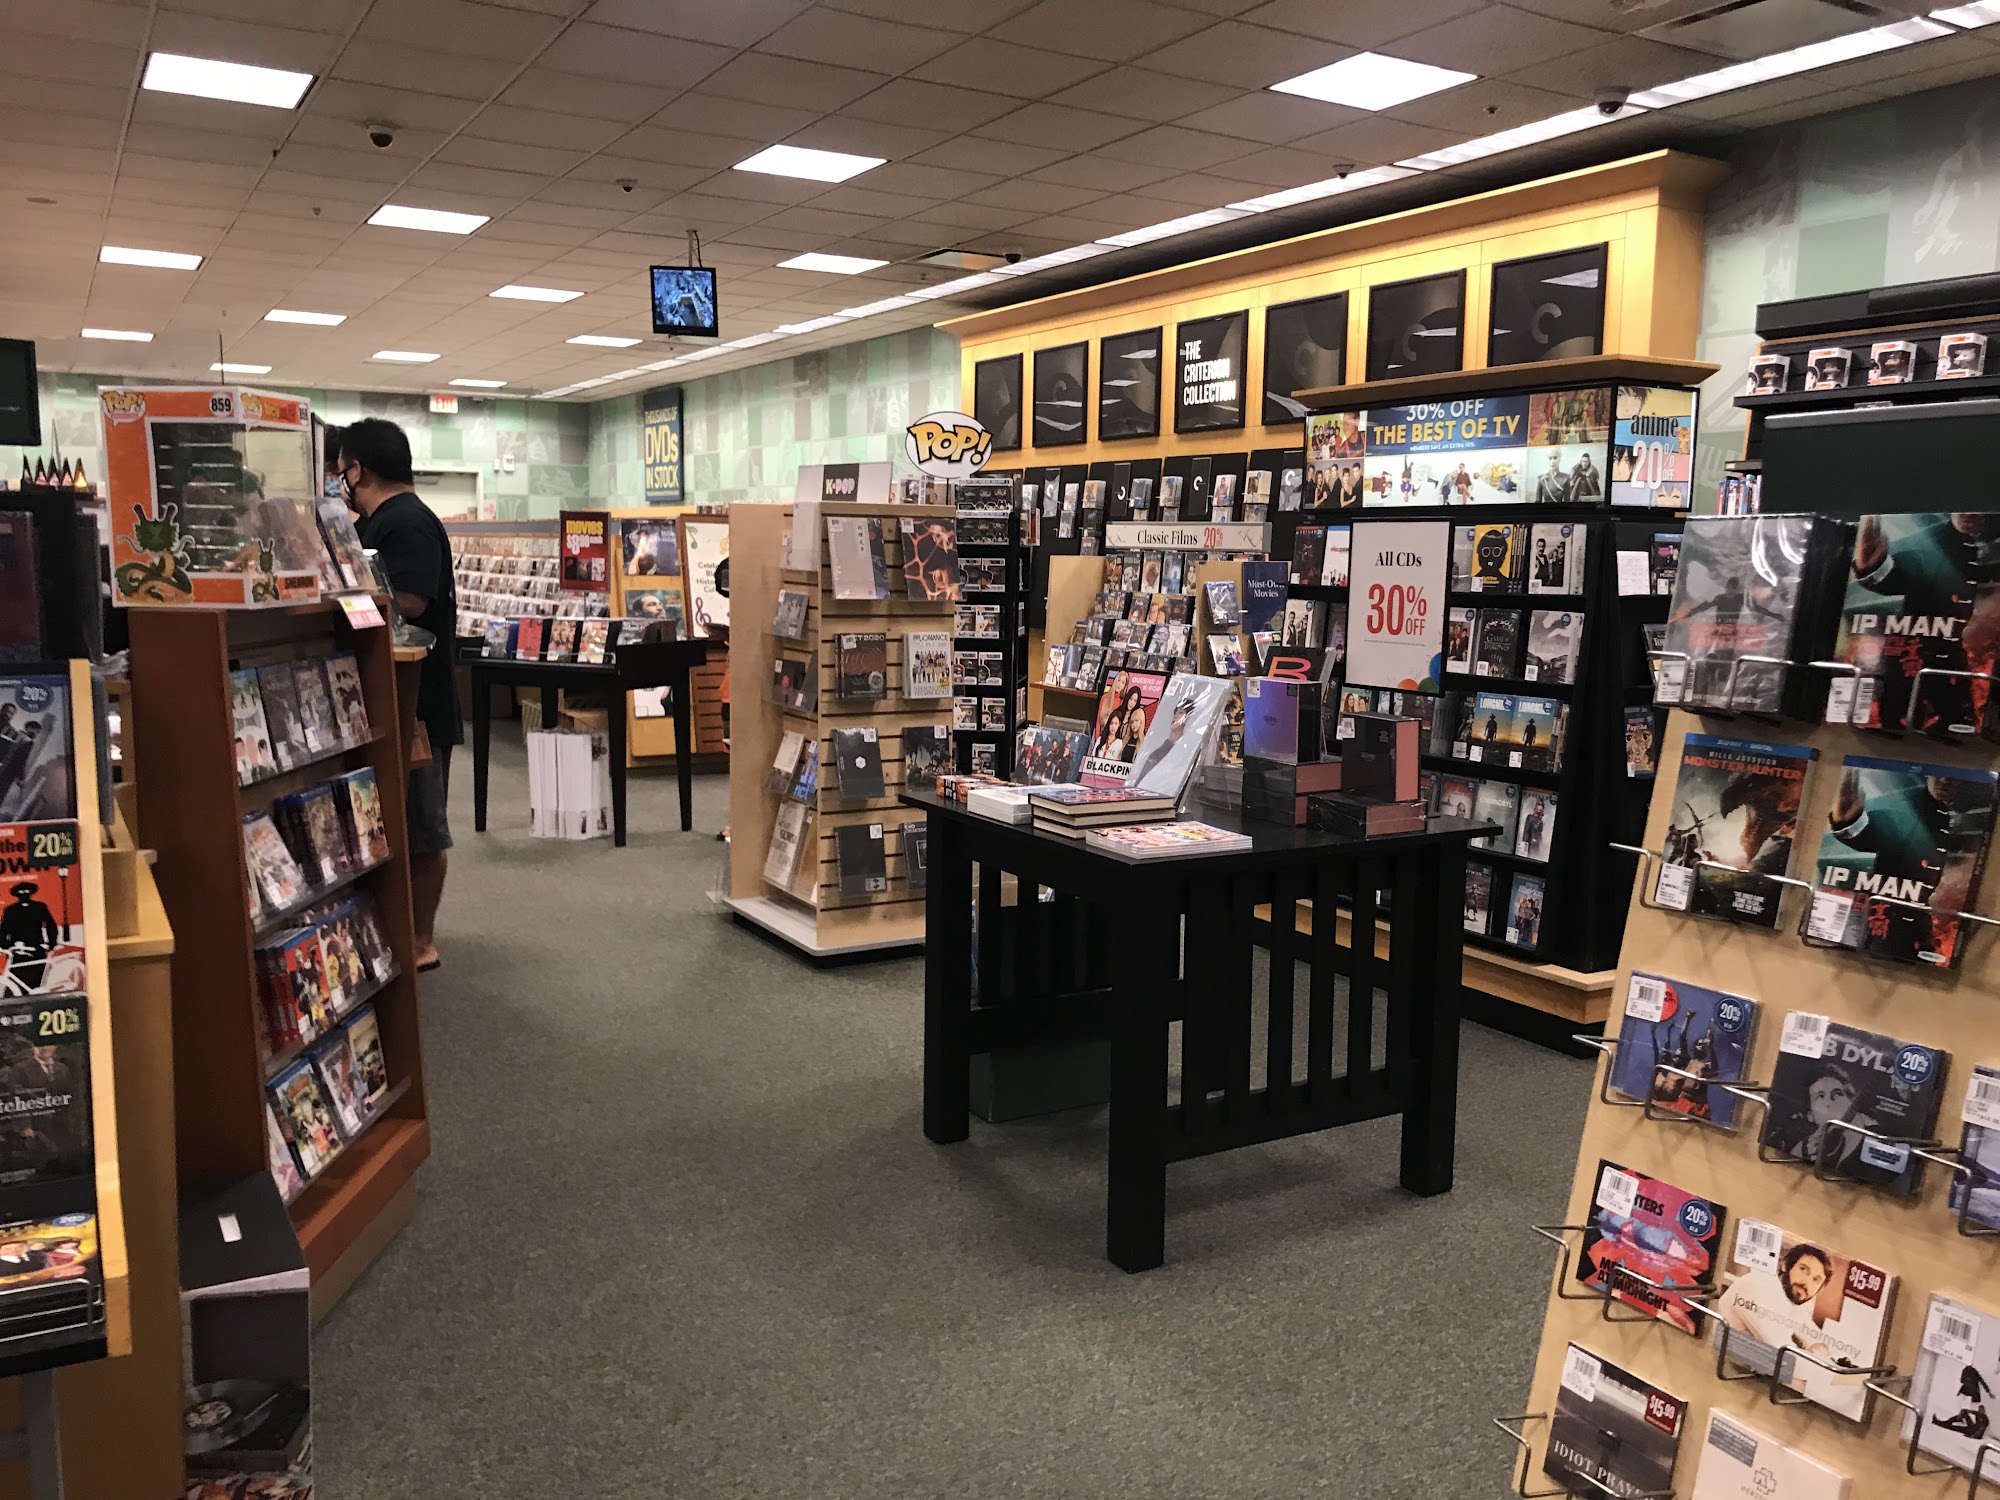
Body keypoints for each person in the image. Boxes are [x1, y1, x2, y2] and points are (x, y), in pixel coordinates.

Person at [339, 419, 459, 972]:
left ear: (357, 469)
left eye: (342, 467)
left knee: (422, 828)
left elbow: (409, 599)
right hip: (388, 698)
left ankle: (419, 940)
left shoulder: (407, 521)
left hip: (419, 705)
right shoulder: (378, 521)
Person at [0, 882, 58, 995]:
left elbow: (51, 926)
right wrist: (6, 946)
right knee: (16, 979)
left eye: (27, 892)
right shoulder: (10, 910)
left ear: (31, 893)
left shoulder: (40, 907)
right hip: (17, 951)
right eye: (21, 892)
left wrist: (50, 944)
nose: (24, 895)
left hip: (36, 949)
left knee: (36, 980)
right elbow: (4, 929)